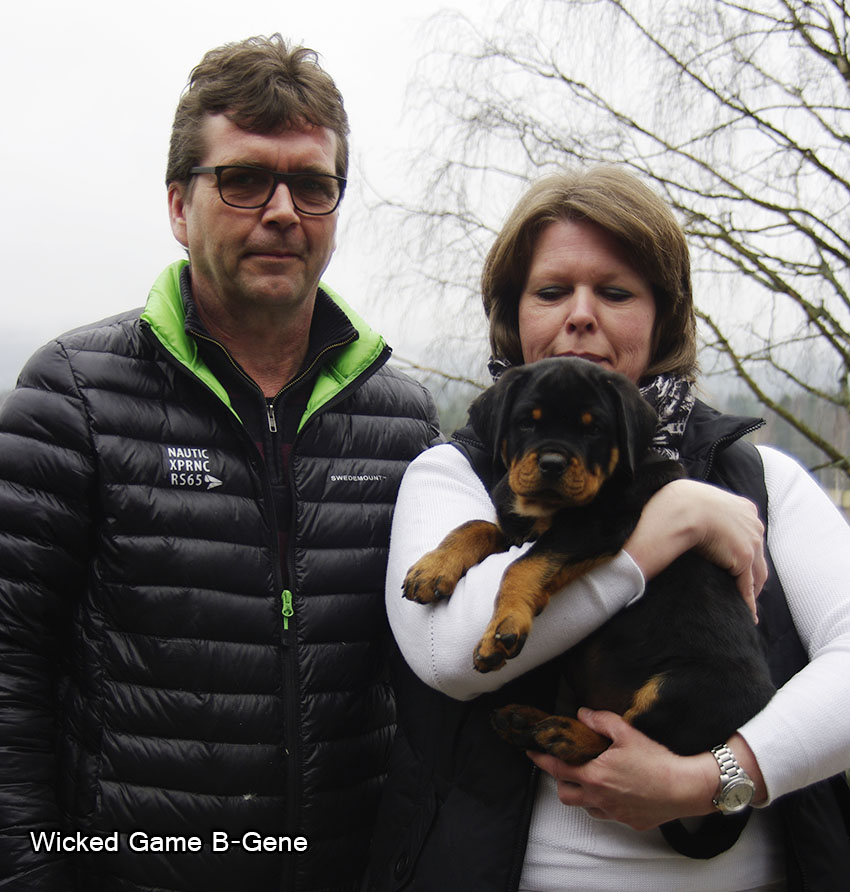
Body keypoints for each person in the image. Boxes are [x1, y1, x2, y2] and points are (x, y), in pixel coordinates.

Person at [0, 34, 439, 892]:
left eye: (313, 185)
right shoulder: (74, 397)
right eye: (243, 180)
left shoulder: (402, 422)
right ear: (178, 205)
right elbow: (9, 669)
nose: (282, 211)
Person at [365, 167, 850, 891]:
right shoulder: (453, 473)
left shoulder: (760, 479)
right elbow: (448, 655)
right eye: (551, 291)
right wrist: (673, 523)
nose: (581, 315)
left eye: (616, 292)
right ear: (513, 313)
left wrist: (711, 780)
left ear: (662, 316)